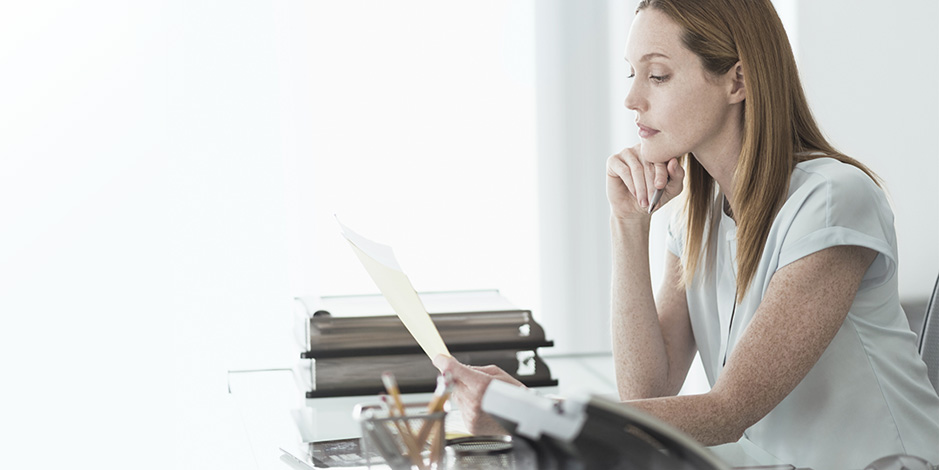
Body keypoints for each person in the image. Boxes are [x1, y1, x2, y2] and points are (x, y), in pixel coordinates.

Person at [433, 0, 939, 469]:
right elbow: (649, 389)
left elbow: (729, 410)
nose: (632, 99)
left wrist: (533, 414)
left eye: (658, 75)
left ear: (737, 80)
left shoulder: (831, 199)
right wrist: (628, 225)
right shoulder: (695, 217)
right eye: (632, 74)